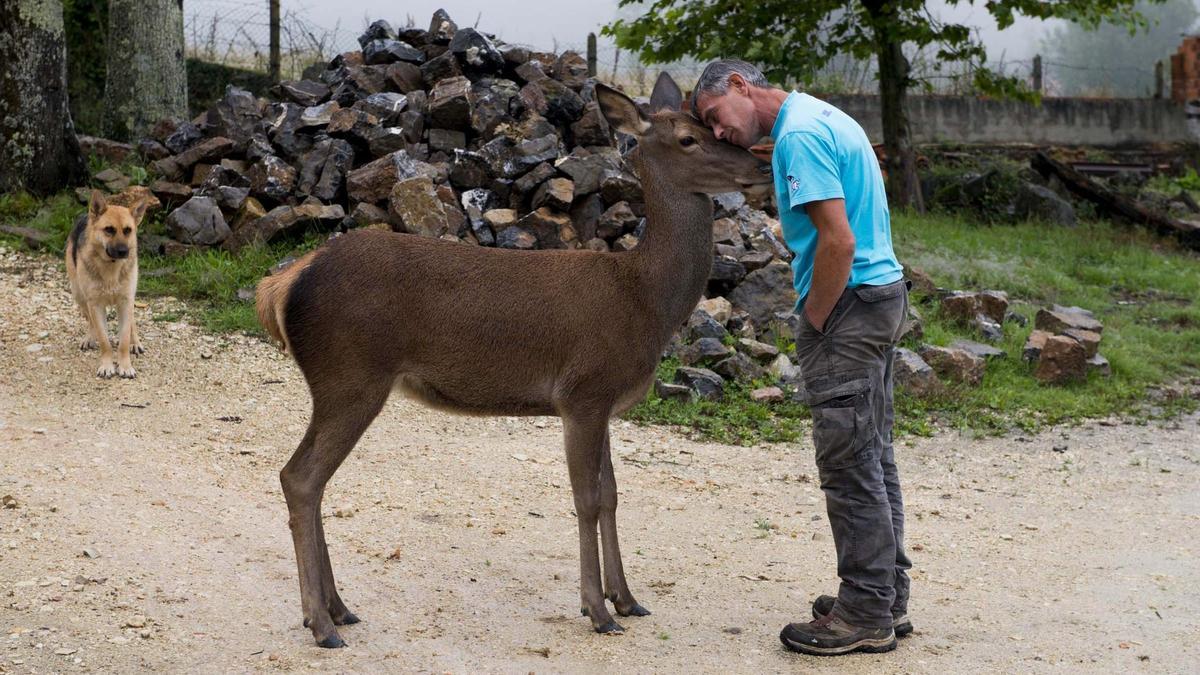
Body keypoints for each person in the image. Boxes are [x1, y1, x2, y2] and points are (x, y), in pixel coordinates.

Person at [692, 59, 912, 656]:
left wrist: (815, 319)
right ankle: (885, 594)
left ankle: (864, 611)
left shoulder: (798, 137)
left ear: (740, 85)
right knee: (873, 453)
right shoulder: (821, 116)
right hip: (880, 294)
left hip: (849, 305)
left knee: (848, 463)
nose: (717, 134)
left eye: (714, 118)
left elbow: (838, 241)